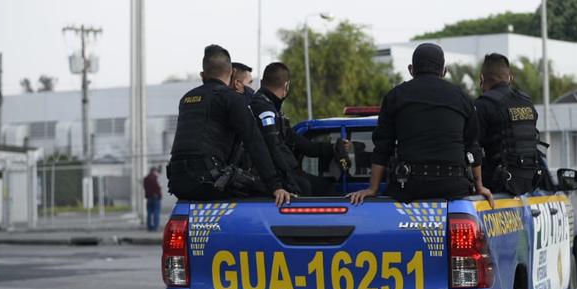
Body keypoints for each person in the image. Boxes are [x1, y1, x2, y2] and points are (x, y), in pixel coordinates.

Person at [347, 43, 494, 206]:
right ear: (444, 71)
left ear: (411, 69)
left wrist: (372, 189)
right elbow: (472, 147)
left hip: (408, 187)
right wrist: (480, 186)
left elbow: (382, 147)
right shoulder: (463, 98)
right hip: (453, 187)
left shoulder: (395, 96)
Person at [167, 45, 291, 206]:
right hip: (209, 181)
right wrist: (276, 186)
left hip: (178, 182)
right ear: (232, 73)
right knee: (267, 190)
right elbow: (254, 141)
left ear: (202, 75)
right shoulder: (230, 98)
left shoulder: (186, 99)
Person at [251, 62, 351, 195]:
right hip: (277, 179)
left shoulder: (273, 110)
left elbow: (302, 144)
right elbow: (273, 148)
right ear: (286, 85)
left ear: (262, 82)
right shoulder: (264, 109)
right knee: (308, 187)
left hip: (284, 174)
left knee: (325, 186)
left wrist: (333, 148)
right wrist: (283, 183)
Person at [474, 53, 545, 195]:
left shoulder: (484, 105)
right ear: (510, 78)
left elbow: (472, 146)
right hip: (530, 181)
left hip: (498, 184)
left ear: (482, 79)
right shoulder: (527, 102)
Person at [143, 166, 162, 231]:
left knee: (149, 212)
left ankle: (149, 227)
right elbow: (157, 187)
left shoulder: (146, 178)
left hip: (149, 197)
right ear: (154, 171)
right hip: (155, 197)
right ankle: (155, 227)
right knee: (156, 212)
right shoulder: (155, 178)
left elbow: (145, 187)